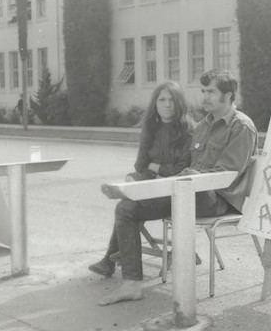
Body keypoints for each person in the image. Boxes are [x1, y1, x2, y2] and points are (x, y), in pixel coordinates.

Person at [93, 68, 258, 306]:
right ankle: (132, 283)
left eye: (211, 92)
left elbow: (227, 176)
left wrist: (187, 177)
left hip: (218, 200)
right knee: (127, 207)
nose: (205, 97)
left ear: (229, 94)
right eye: (203, 91)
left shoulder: (241, 127)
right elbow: (186, 167)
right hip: (190, 191)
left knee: (140, 199)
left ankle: (129, 237)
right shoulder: (203, 125)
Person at [89, 81, 192, 279]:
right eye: (162, 100)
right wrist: (151, 172)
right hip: (151, 186)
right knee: (128, 200)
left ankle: (113, 259)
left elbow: (181, 170)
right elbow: (140, 164)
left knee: (126, 206)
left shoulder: (188, 131)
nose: (167, 104)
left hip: (175, 194)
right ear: (155, 103)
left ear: (179, 103)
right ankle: (117, 257)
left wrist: (156, 168)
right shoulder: (151, 128)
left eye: (172, 100)